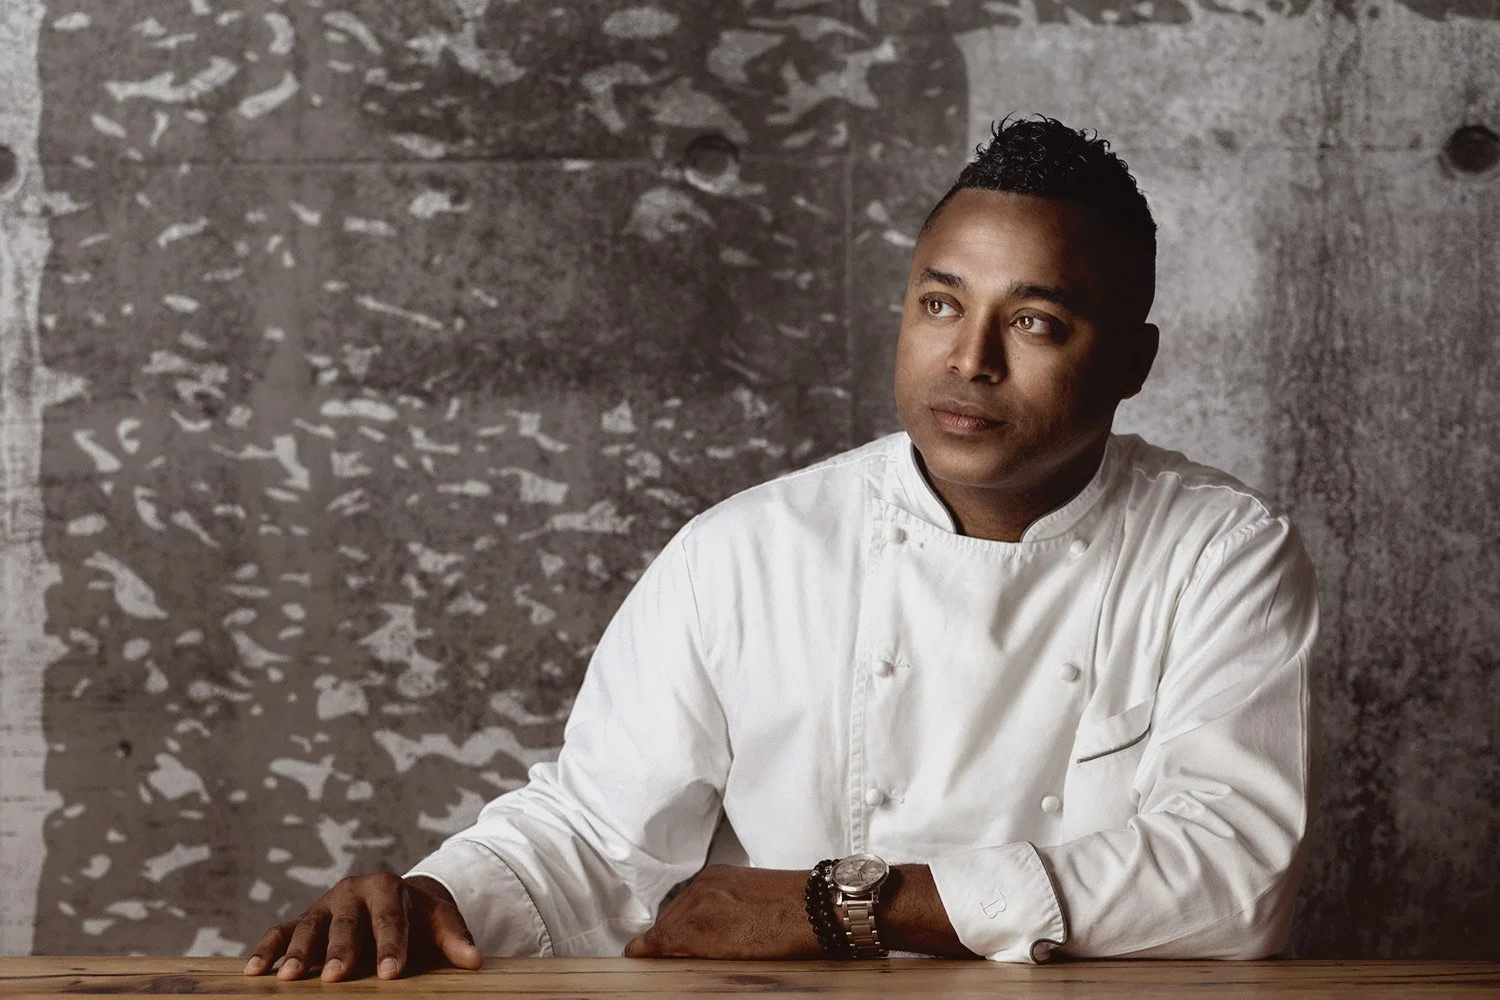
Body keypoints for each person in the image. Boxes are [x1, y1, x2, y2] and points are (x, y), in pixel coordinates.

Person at [246, 115, 1318, 981]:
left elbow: (1231, 876)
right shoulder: (744, 553)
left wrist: (836, 904)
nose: (971, 358)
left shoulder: (1218, 553)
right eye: (941, 303)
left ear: (1134, 360)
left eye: (1035, 323)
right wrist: (435, 900)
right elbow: (593, 830)